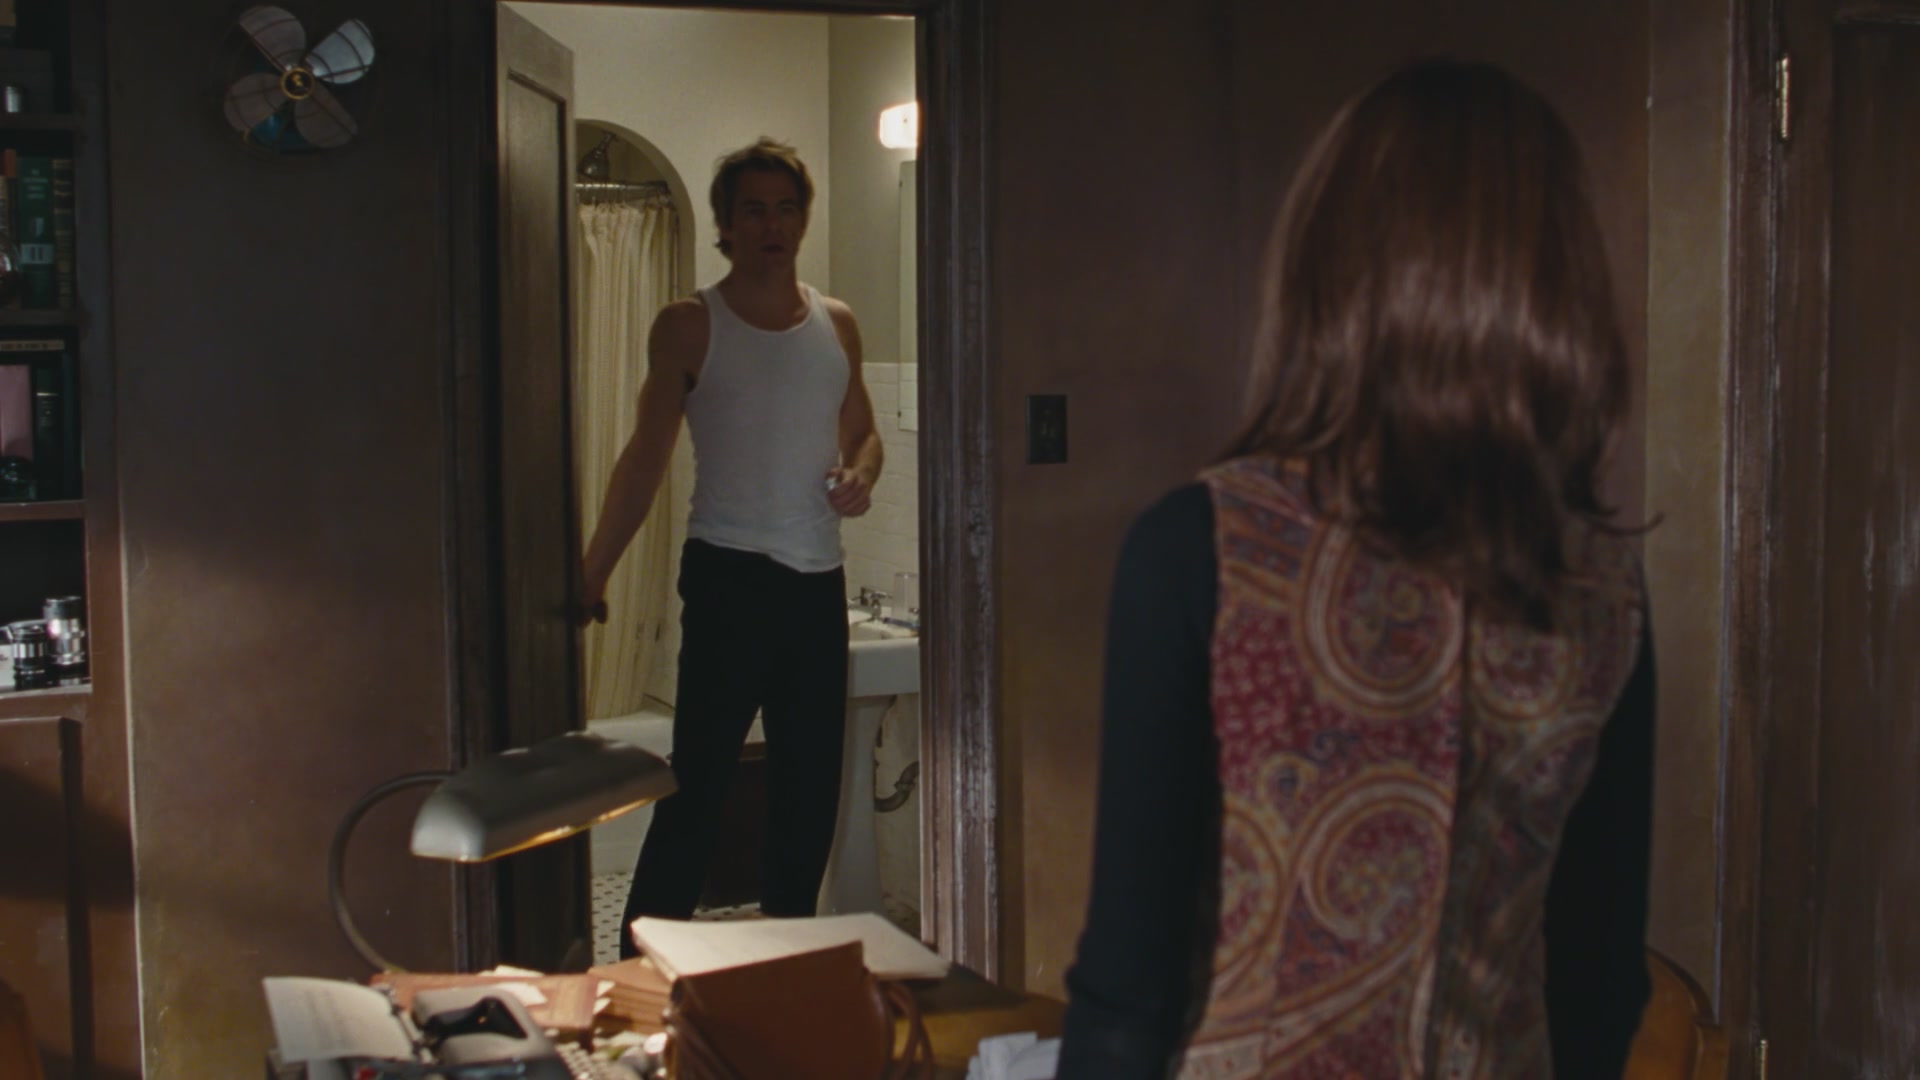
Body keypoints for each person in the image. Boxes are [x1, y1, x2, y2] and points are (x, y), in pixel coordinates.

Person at [1057, 61, 1655, 1079]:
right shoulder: (1598, 587)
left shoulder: (1203, 549)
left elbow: (1127, 996)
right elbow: (1596, 989)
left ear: (1325, 264)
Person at [577, 138, 882, 946]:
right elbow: (644, 459)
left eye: (785, 209)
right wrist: (594, 571)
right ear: (725, 224)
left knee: (808, 793)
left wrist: (861, 473)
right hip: (728, 579)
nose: (771, 226)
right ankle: (639, 965)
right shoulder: (689, 325)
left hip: (816, 583)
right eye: (754, 210)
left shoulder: (837, 324)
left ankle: (787, 956)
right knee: (698, 786)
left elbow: (864, 433)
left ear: (802, 220)